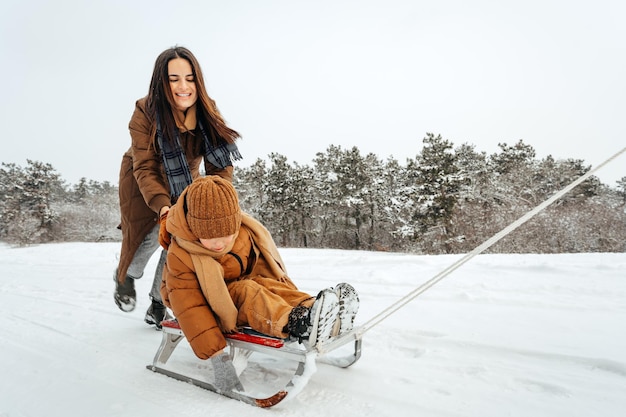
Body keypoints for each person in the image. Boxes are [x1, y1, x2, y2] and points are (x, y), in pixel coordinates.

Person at [159, 175, 359, 392]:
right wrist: (218, 359)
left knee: (266, 284)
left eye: (227, 234)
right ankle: (296, 322)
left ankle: (319, 313)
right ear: (194, 229)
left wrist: (280, 290)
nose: (220, 243)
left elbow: (263, 270)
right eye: (210, 237)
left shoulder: (243, 233)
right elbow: (190, 308)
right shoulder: (181, 253)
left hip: (234, 288)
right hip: (202, 303)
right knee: (250, 291)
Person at [114, 46, 242, 329]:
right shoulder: (144, 111)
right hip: (140, 180)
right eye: (174, 79)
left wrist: (219, 199)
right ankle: (126, 275)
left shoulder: (208, 110)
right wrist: (162, 208)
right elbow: (145, 167)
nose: (183, 86)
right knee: (146, 238)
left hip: (185, 178)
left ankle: (159, 303)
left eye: (189, 77)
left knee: (179, 240)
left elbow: (219, 165)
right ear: (162, 82)